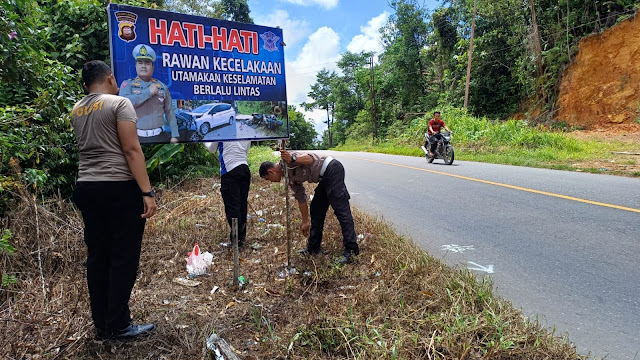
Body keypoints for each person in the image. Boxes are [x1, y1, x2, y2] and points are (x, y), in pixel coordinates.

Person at [71, 60, 158, 340]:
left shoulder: (77, 108)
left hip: (86, 187)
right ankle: (119, 324)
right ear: (110, 77)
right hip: (118, 187)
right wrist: (147, 192)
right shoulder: (119, 104)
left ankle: (102, 323)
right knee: (122, 257)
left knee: (98, 256)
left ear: (85, 85)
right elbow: (132, 150)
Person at [259, 151, 359, 264]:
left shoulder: (287, 160)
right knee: (316, 209)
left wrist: (292, 158)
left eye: (268, 179)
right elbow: (301, 198)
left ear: (271, 171)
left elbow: (310, 159)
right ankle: (313, 248)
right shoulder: (290, 179)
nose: (271, 182)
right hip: (324, 178)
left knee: (341, 211)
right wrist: (305, 221)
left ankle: (351, 250)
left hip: (332, 169)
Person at [119, 44, 179, 144]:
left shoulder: (162, 86)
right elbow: (124, 104)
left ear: (152, 67)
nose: (143, 66)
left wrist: (175, 135)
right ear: (136, 65)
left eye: (147, 63)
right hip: (136, 138)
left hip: (161, 136)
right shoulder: (128, 85)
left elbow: (170, 112)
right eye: (140, 62)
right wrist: (148, 93)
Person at [205, 141, 251, 246]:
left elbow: (212, 149)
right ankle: (241, 238)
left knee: (232, 206)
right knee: (242, 205)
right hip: (244, 168)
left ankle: (236, 240)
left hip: (229, 170)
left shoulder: (223, 130)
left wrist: (204, 140)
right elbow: (246, 150)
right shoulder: (245, 129)